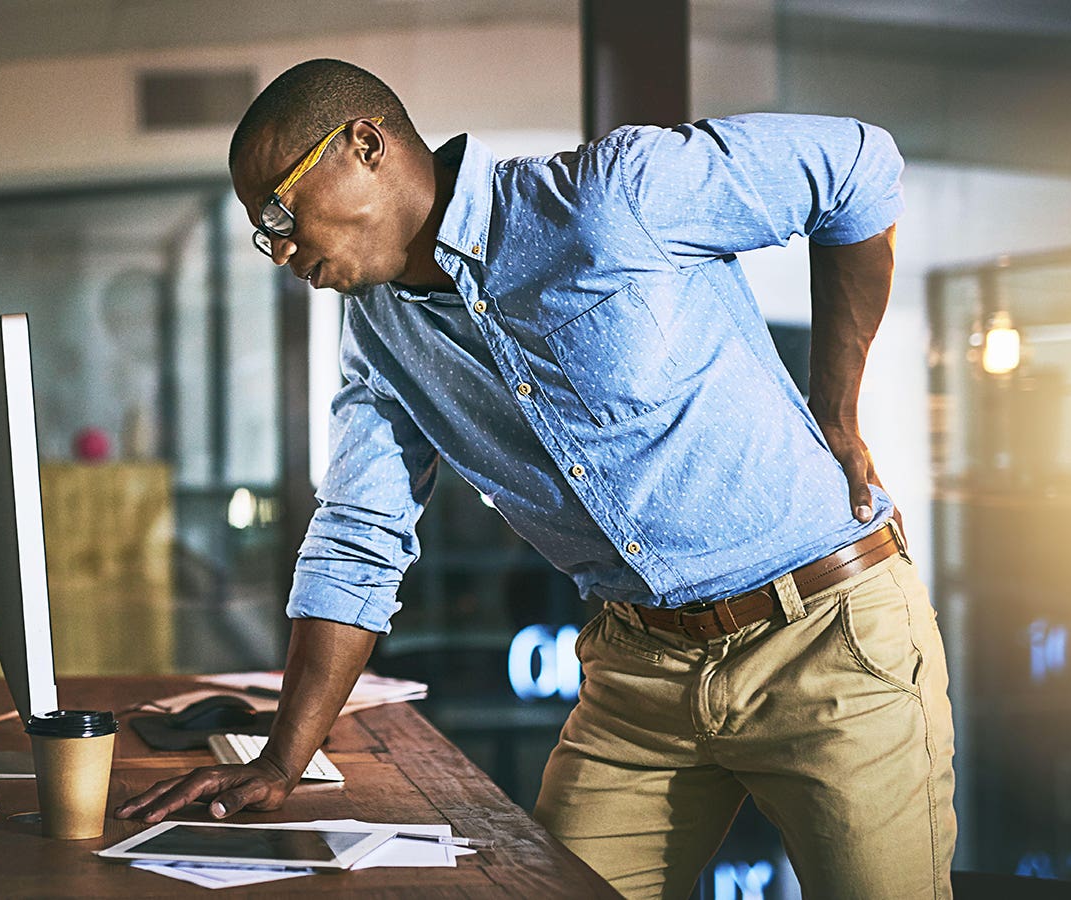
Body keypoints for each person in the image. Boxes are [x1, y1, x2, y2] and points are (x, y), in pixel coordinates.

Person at [116, 58, 956, 900]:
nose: (280, 249)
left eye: (279, 211)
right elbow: (356, 537)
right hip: (640, 673)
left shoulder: (608, 196)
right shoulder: (379, 339)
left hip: (827, 642)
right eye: (262, 232)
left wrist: (836, 415)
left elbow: (858, 166)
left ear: (363, 146)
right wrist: (280, 762)